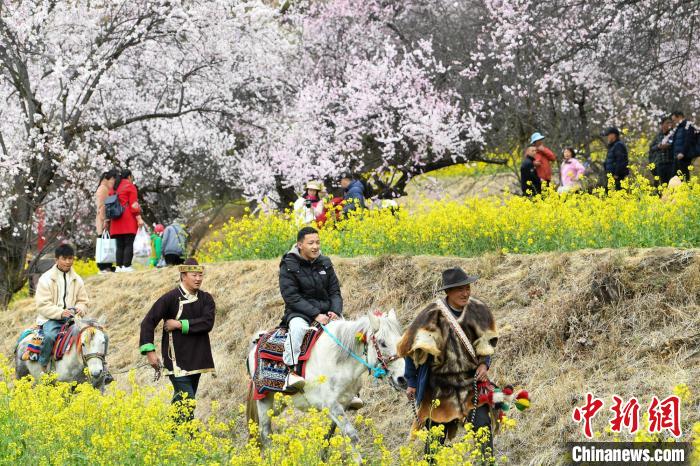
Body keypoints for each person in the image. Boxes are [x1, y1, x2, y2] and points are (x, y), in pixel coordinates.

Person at [399, 267, 498, 460]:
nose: (466, 293)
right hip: (439, 389)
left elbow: (486, 343)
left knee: (483, 429)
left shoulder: (478, 311)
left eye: (467, 288)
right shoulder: (430, 315)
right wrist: (411, 382)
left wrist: (484, 364)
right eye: (460, 289)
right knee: (434, 441)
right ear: (448, 291)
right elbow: (411, 347)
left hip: (470, 386)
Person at [139, 258, 216, 422]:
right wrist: (150, 352)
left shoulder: (206, 299)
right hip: (176, 359)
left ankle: (172, 433)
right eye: (194, 275)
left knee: (181, 401)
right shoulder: (170, 298)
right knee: (188, 400)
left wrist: (180, 324)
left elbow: (207, 323)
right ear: (183, 276)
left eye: (200, 275)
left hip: (197, 358)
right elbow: (148, 322)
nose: (198, 279)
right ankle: (189, 434)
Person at [279, 227, 343, 390]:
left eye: (318, 242)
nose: (315, 247)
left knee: (346, 332)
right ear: (300, 245)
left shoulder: (325, 262)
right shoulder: (288, 264)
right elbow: (291, 297)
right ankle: (291, 371)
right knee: (298, 330)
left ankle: (346, 383)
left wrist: (335, 311)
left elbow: (335, 291)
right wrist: (315, 314)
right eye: (311, 243)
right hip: (299, 313)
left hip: (326, 312)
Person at [35, 244, 88, 372]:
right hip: (51, 319)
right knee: (50, 336)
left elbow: (83, 301)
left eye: (70, 258)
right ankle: (43, 365)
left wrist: (80, 308)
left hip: (73, 319)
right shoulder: (46, 279)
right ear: (56, 259)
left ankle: (94, 367)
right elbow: (42, 305)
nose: (68, 262)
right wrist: (60, 313)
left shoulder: (77, 280)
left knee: (90, 334)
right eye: (64, 258)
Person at [109, 169, 144, 272]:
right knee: (129, 243)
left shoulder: (114, 188)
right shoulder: (130, 186)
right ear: (129, 176)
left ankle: (119, 266)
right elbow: (134, 205)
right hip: (127, 220)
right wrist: (139, 218)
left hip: (115, 220)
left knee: (119, 245)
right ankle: (127, 266)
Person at [95, 170, 117, 273]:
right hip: (102, 220)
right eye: (112, 179)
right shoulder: (103, 189)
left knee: (105, 243)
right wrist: (105, 220)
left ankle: (106, 266)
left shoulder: (103, 188)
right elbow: (102, 206)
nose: (113, 182)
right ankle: (103, 266)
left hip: (103, 219)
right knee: (104, 243)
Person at [666, 110, 695, 181]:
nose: (674, 122)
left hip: (684, 157)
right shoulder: (678, 127)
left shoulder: (688, 125)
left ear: (679, 117)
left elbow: (688, 140)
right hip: (676, 156)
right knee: (674, 178)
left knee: (684, 176)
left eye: (674, 120)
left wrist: (682, 153)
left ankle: (687, 187)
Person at [649, 116, 675, 186]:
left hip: (671, 163)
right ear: (662, 124)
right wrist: (659, 146)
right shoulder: (658, 136)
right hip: (660, 164)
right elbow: (651, 148)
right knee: (660, 185)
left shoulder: (673, 134)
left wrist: (669, 146)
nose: (669, 125)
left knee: (671, 185)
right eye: (667, 123)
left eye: (670, 123)